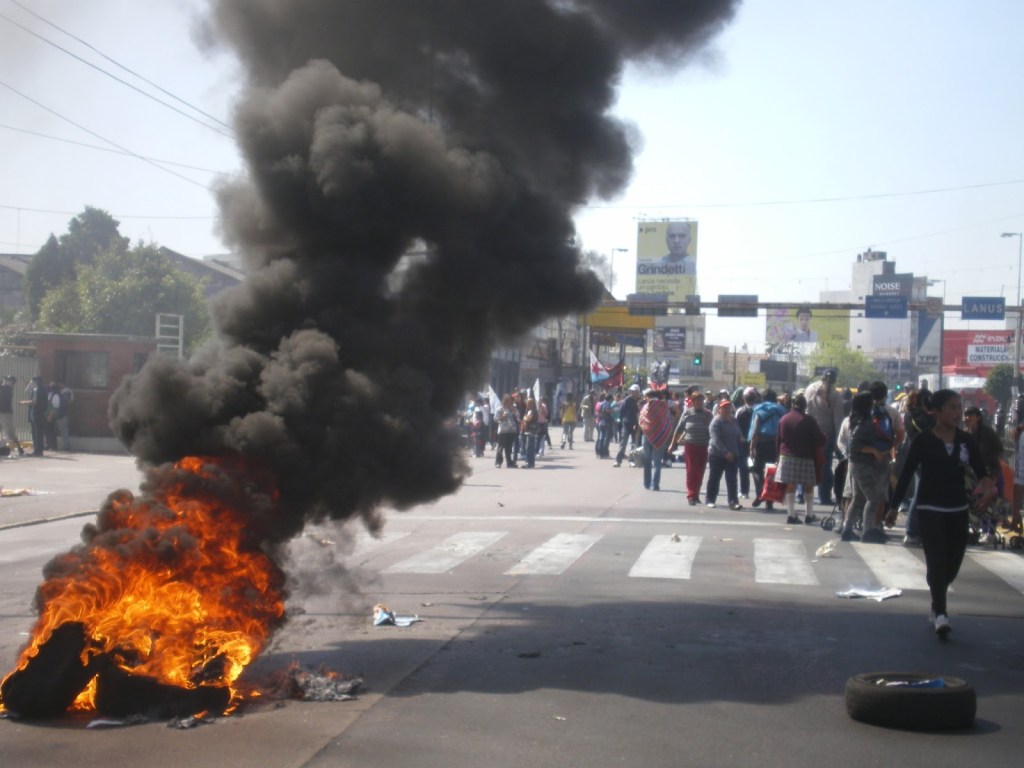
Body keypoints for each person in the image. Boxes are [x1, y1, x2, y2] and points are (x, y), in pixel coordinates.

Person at [891, 389, 995, 639]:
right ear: (936, 412)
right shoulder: (923, 440)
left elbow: (982, 472)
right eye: (952, 408)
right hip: (929, 507)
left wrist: (988, 491)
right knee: (937, 559)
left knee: (953, 562)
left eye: (959, 408)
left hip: (957, 508)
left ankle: (937, 594)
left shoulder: (965, 441)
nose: (958, 413)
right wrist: (893, 507)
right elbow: (906, 473)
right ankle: (940, 612)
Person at [841, 391, 894, 543]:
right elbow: (856, 444)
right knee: (874, 498)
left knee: (858, 498)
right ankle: (868, 531)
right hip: (862, 464)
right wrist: (874, 451)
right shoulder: (864, 422)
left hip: (855, 463)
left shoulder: (856, 419)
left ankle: (848, 528)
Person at [775, 393, 825, 525]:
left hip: (786, 456)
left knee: (790, 486)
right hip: (805, 457)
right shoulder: (809, 420)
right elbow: (820, 440)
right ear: (805, 406)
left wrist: (777, 456)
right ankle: (809, 515)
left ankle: (791, 515)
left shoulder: (784, 419)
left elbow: (778, 440)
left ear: (792, 404)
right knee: (808, 486)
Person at [804, 369, 845, 506]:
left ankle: (800, 494)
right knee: (824, 465)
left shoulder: (810, 389)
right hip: (827, 435)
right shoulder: (835, 395)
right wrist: (839, 441)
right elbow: (838, 420)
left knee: (806, 463)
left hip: (809, 432)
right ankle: (824, 496)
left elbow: (805, 411)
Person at [671, 391, 713, 506]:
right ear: (693, 402)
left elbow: (714, 429)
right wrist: (672, 444)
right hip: (691, 445)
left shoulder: (708, 414)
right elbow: (679, 430)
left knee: (700, 471)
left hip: (704, 445)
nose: (699, 403)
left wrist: (709, 423)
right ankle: (691, 495)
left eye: (701, 401)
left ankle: (696, 494)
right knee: (691, 471)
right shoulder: (687, 413)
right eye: (697, 401)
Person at [749, 389, 786, 511]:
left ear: (762, 398)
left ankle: (760, 492)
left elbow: (755, 430)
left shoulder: (759, 409)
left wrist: (752, 447)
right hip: (776, 443)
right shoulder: (781, 410)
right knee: (771, 472)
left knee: (756, 469)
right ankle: (769, 501)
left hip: (761, 443)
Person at [706, 400, 744, 510]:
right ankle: (710, 499)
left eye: (729, 407)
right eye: (724, 407)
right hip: (717, 455)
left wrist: (741, 437)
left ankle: (733, 502)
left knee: (732, 479)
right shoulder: (716, 422)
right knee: (714, 478)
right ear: (719, 409)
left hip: (733, 454)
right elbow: (715, 440)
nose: (727, 410)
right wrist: (725, 452)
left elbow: (739, 432)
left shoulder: (734, 420)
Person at [638, 388, 673, 491]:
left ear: (649, 397)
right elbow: (668, 420)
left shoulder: (646, 406)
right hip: (660, 436)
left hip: (647, 436)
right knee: (657, 462)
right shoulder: (664, 406)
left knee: (647, 461)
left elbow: (641, 420)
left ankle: (647, 483)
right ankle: (655, 485)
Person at [613, 384, 641, 467]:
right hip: (626, 423)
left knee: (633, 444)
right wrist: (622, 421)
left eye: (635, 391)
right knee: (623, 443)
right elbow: (621, 411)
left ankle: (631, 460)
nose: (633, 392)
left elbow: (638, 413)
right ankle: (618, 460)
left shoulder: (638, 401)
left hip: (635, 424)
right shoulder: (627, 400)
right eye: (632, 391)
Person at [20, 376, 47, 457]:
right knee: (35, 433)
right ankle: (37, 450)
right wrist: (29, 385)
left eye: (32, 381)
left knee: (37, 433)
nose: (31, 383)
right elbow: (27, 391)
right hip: (34, 414)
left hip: (37, 414)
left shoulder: (39, 390)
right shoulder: (36, 389)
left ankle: (38, 451)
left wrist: (24, 402)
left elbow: (35, 402)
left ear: (36, 381)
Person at [0, 376, 24, 456]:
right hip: (2, 412)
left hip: (5, 414)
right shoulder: (4, 388)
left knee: (10, 432)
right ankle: (19, 448)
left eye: (7, 380)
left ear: (11, 382)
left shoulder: (8, 389)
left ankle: (19, 448)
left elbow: (3, 388)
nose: (5, 381)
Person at [494, 394, 518, 468]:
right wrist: (503, 417)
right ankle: (498, 462)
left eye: (511, 402)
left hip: (511, 431)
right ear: (505, 401)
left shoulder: (512, 408)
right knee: (500, 447)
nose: (510, 404)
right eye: (508, 402)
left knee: (509, 448)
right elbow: (495, 418)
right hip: (503, 431)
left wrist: (515, 411)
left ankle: (509, 462)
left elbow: (518, 416)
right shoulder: (500, 409)